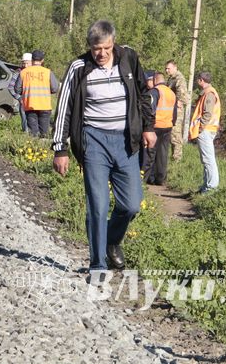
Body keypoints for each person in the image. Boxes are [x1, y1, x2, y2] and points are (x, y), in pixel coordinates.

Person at [52, 20, 156, 275]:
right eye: (96, 49)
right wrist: (60, 149)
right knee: (98, 205)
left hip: (125, 142)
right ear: (90, 46)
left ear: (113, 43)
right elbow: (64, 108)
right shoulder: (79, 67)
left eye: (107, 48)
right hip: (94, 141)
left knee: (132, 204)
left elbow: (144, 93)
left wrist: (148, 126)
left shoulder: (128, 59)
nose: (102, 54)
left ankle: (110, 240)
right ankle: (97, 265)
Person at [14, 50, 59, 137]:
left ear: (32, 59)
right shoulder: (48, 72)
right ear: (42, 60)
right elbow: (55, 88)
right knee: (44, 133)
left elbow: (17, 89)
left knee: (33, 134)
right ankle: (43, 143)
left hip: (30, 105)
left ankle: (34, 144)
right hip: (45, 106)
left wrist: (25, 92)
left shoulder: (23, 72)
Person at [189, 71, 220, 193]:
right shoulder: (208, 92)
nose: (197, 81)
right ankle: (206, 186)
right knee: (206, 159)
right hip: (208, 129)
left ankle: (211, 187)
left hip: (206, 129)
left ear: (201, 80)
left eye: (198, 79)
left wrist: (200, 128)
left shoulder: (209, 93)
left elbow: (207, 113)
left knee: (208, 159)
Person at [146, 72, 177, 185]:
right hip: (167, 126)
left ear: (155, 80)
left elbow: (150, 109)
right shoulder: (171, 92)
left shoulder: (155, 91)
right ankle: (161, 178)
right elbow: (174, 112)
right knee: (163, 153)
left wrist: (147, 126)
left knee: (151, 152)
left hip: (156, 126)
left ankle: (149, 178)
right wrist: (172, 123)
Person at [165, 60, 189, 162]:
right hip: (171, 109)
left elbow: (183, 96)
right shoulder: (171, 78)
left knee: (175, 134)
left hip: (177, 111)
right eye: (166, 69)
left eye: (168, 68)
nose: (167, 70)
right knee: (171, 134)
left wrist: (178, 102)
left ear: (175, 67)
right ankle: (173, 157)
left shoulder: (179, 78)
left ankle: (177, 158)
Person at [8, 53, 32, 132]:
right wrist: (19, 98)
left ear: (32, 62)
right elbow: (10, 87)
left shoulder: (36, 73)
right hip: (24, 101)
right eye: (24, 63)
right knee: (25, 124)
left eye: (27, 63)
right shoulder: (18, 72)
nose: (25, 65)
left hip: (36, 102)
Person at [140, 72, 156, 173]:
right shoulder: (148, 92)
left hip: (150, 126)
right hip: (156, 125)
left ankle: (145, 173)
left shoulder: (150, 93)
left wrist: (148, 128)